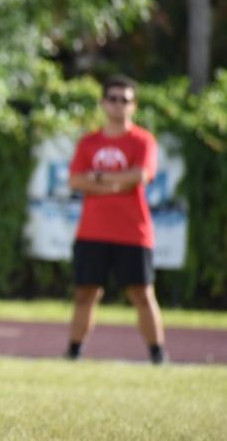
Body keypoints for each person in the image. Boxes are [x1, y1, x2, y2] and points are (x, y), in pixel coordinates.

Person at [64, 74, 167, 364]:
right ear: (102, 103)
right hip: (92, 231)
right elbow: (75, 180)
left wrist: (97, 178)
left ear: (133, 106)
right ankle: (73, 352)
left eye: (125, 100)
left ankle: (158, 355)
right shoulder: (89, 142)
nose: (118, 105)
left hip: (133, 231)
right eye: (112, 98)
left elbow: (140, 176)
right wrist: (116, 183)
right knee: (86, 293)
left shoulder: (143, 141)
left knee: (142, 294)